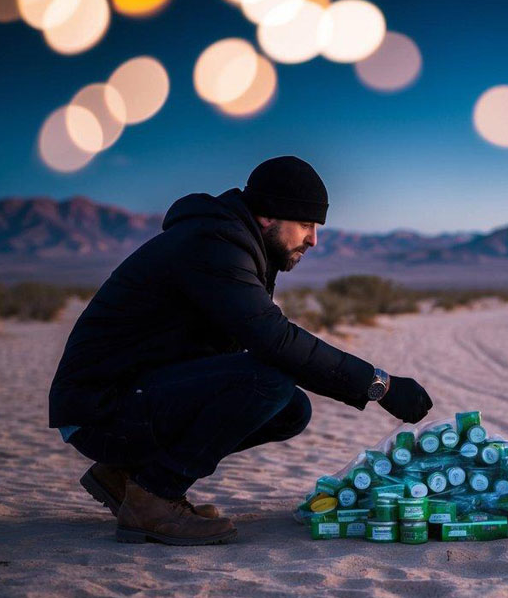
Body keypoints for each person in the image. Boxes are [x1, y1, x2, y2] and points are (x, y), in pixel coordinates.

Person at [48, 156, 433, 546]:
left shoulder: (233, 242)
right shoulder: (214, 245)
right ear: (268, 217)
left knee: (290, 409)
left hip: (127, 395)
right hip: (100, 408)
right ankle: (154, 496)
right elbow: (274, 341)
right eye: (306, 225)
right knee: (269, 381)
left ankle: (126, 475)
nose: (314, 240)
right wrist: (378, 384)